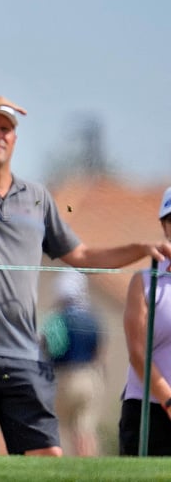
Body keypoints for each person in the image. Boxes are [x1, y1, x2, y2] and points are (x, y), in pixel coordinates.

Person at [0, 97, 171, 455]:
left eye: (5, 129)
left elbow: (82, 256)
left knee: (48, 456)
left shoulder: (37, 198)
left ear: (15, 140)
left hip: (24, 351)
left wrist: (140, 248)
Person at [119, 187, 171, 456]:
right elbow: (138, 353)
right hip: (148, 410)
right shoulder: (145, 281)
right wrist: (169, 400)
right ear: (164, 226)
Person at [42, 270, 102, 457]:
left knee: (58, 427)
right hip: (90, 377)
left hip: (63, 377)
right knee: (85, 429)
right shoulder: (92, 318)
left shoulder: (56, 319)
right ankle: (89, 471)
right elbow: (99, 351)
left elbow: (48, 349)